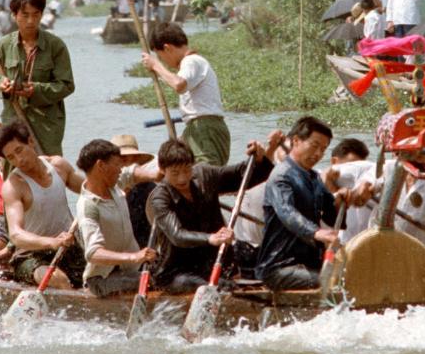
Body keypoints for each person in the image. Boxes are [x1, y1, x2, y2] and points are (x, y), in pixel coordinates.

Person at [148, 135, 280, 293]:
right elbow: (177, 235)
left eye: (186, 170)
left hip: (212, 263)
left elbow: (242, 175)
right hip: (177, 272)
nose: (182, 178)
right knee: (206, 285)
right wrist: (211, 238)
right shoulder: (160, 197)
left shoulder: (205, 175)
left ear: (193, 165)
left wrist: (258, 159)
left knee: (248, 264)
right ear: (162, 170)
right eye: (175, 173)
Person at [255, 117, 350, 291]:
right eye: (314, 146)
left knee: (351, 274)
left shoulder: (314, 178)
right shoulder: (281, 176)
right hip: (278, 267)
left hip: (308, 262)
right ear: (296, 141)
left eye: (323, 149)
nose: (318, 154)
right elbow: (287, 213)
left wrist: (341, 200)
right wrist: (316, 232)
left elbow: (333, 217)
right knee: (333, 282)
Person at [0, 0, 75, 156]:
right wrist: (1, 83)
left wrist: (36, 90)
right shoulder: (2, 46)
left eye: (36, 14)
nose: (31, 21)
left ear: (42, 14)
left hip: (46, 125)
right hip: (13, 118)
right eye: (25, 15)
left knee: (49, 170)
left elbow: (66, 85)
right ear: (14, 15)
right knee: (13, 169)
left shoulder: (55, 46)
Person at [0, 120, 86, 290]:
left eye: (19, 150)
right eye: (11, 157)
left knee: (97, 275)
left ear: (31, 141)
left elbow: (90, 190)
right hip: (30, 255)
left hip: (68, 246)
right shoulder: (14, 186)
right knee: (59, 279)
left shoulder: (58, 166)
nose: (19, 160)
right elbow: (16, 235)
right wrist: (51, 242)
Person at [76, 139, 158, 298]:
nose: (121, 170)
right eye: (117, 164)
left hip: (131, 269)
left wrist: (159, 174)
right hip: (103, 278)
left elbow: (132, 173)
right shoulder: (88, 206)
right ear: (101, 165)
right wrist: (133, 257)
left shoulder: (114, 185)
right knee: (153, 281)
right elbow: (93, 253)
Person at [142, 23, 230, 166]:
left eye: (160, 56)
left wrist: (156, 66)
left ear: (167, 48)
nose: (163, 61)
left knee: (206, 173)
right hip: (199, 128)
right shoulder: (190, 63)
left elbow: (179, 84)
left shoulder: (191, 61)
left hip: (205, 127)